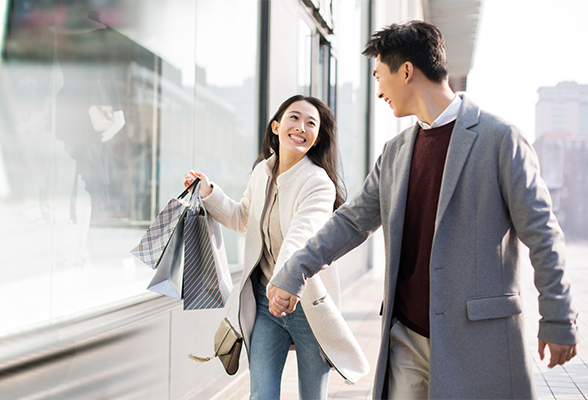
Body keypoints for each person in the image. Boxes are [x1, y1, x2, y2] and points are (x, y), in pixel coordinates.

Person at [266, 21, 577, 399]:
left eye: (380, 76)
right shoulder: (395, 152)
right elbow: (350, 222)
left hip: (477, 342)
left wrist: (558, 318)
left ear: (407, 71)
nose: (379, 90)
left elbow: (542, 233)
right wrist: (294, 270)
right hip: (407, 337)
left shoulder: (500, 140)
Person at [183, 95, 369, 399]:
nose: (301, 127)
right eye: (294, 118)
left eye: (311, 123)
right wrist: (208, 192)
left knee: (312, 396)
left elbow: (301, 236)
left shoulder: (319, 183)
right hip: (266, 305)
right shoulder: (261, 174)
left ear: (317, 138)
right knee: (261, 395)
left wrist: (284, 284)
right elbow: (242, 218)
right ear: (276, 126)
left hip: (307, 305)